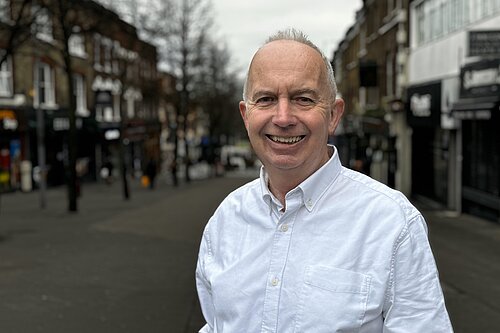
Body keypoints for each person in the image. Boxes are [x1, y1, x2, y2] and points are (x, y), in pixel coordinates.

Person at [196, 28, 453, 333]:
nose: (283, 117)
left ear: (333, 115)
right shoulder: (225, 221)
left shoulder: (391, 223)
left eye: (303, 99)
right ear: (245, 115)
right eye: (265, 99)